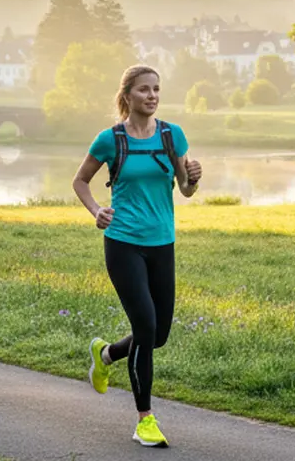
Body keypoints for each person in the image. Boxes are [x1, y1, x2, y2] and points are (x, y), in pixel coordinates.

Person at [71, 64, 202, 448]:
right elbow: (80, 180)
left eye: (157, 89)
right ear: (127, 95)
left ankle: (106, 354)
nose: (152, 96)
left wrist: (193, 178)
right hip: (123, 243)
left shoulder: (172, 135)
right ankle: (145, 419)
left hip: (163, 243)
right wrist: (97, 210)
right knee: (145, 325)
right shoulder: (109, 140)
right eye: (144, 90)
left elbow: (185, 189)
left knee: (158, 335)